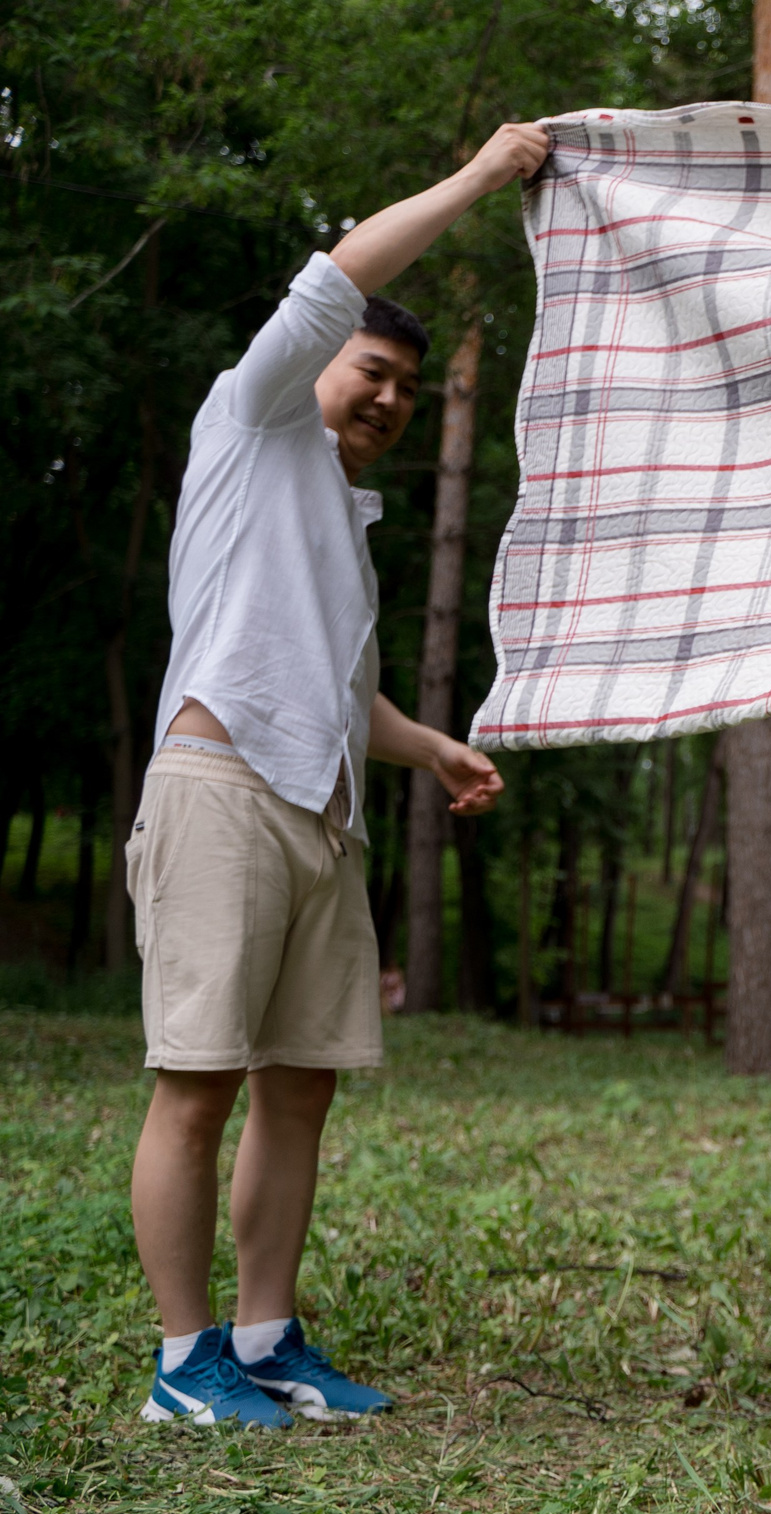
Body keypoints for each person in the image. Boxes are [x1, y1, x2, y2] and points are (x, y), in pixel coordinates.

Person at [132, 122, 553, 1430]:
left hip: (321, 805)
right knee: (197, 1081)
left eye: (403, 391)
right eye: (372, 370)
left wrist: (427, 746)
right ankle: (180, 1358)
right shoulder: (249, 418)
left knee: (299, 1079)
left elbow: (330, 685)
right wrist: (483, 180)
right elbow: (335, 273)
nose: (386, 400)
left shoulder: (336, 509)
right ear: (319, 358)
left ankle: (264, 1335)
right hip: (219, 784)